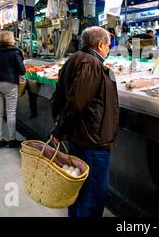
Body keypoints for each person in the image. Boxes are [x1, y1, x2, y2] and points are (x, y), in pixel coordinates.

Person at [50, 27, 119, 217]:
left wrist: (62, 127)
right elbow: (77, 102)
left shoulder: (76, 58)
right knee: (93, 193)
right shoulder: (90, 63)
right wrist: (60, 129)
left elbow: (62, 96)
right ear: (100, 44)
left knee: (79, 191)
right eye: (108, 46)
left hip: (80, 135)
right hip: (92, 139)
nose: (108, 50)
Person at [0, 31, 26, 149]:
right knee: (10, 112)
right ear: (10, 40)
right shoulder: (15, 52)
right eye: (13, 37)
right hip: (9, 83)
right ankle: (12, 139)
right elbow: (22, 71)